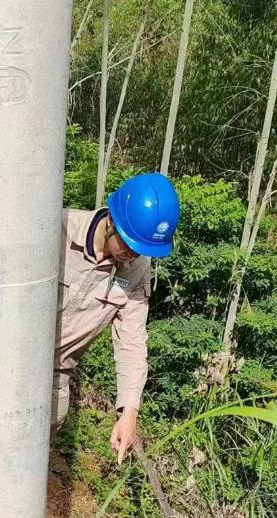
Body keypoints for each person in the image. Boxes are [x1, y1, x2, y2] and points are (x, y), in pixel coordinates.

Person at [52, 172, 181, 462]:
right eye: (130, 245)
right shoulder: (54, 229)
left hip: (54, 376)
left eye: (143, 250)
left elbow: (132, 342)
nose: (134, 255)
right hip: (8, 365)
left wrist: (129, 413)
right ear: (111, 220)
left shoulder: (136, 268)